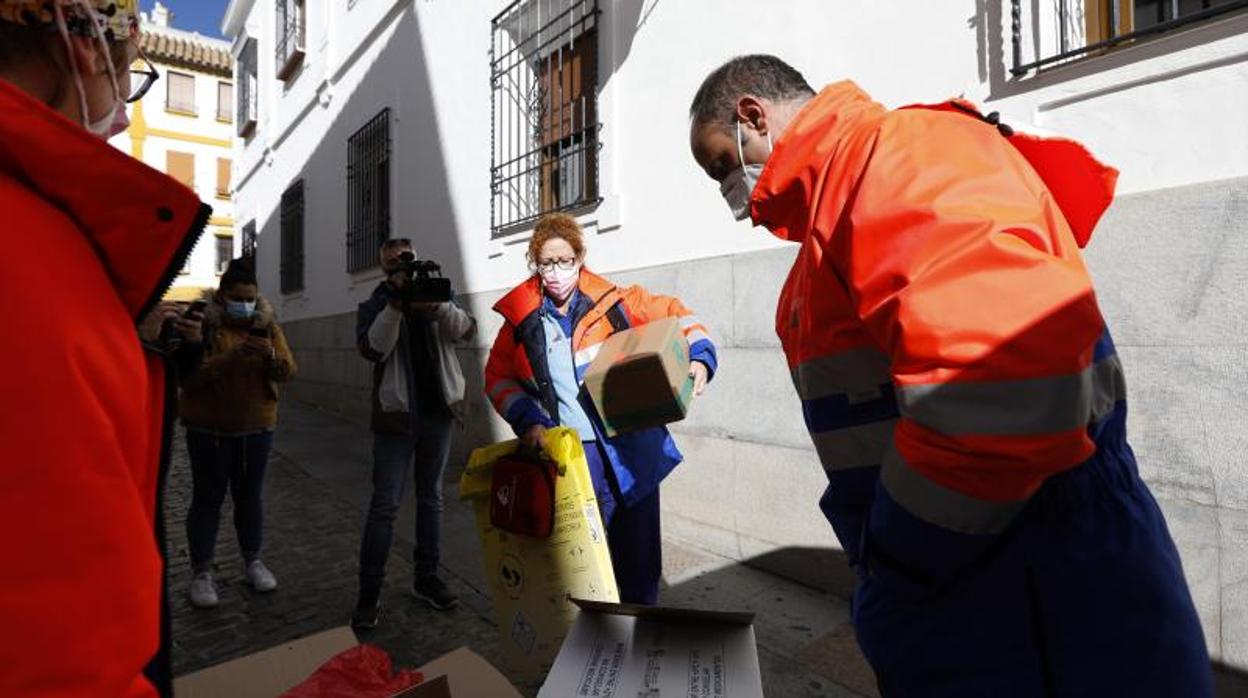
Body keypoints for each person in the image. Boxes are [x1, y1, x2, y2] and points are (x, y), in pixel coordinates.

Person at [687, 55, 1211, 696]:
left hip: (1033, 589)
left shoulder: (898, 159)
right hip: (978, 585)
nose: (729, 193)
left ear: (752, 117)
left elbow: (1005, 387)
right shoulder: (840, 212)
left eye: (721, 165)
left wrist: (901, 557)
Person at [0, 1, 211, 695]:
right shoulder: (30, 254)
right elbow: (64, 656)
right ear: (85, 47)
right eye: (129, 75)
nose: (121, 110)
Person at [484, 213, 717, 605]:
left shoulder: (616, 301)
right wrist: (529, 420)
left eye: (564, 261)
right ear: (535, 264)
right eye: (546, 263)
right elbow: (497, 378)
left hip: (632, 450)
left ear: (579, 258)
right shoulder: (522, 323)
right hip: (574, 458)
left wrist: (700, 355)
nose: (556, 272)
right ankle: (598, 636)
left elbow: (678, 314)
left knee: (639, 562)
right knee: (585, 566)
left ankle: (639, 632)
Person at [352, 239, 478, 629]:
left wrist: (438, 306)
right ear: (384, 268)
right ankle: (369, 592)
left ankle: (427, 578)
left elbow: (465, 331)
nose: (401, 267)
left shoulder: (436, 288)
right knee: (385, 505)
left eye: (406, 260)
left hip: (438, 413)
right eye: (393, 263)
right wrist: (395, 305)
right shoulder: (376, 302)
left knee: (431, 499)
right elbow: (374, 349)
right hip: (396, 417)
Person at [179, 258, 297, 608]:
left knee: (250, 498)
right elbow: (190, 378)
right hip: (208, 429)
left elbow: (289, 371)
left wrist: (270, 355)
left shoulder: (267, 325)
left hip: (257, 427)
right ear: (222, 296)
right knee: (207, 500)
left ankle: (253, 561)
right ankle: (201, 572)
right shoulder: (202, 325)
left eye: (250, 298)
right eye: (237, 298)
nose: (244, 304)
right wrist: (232, 357)